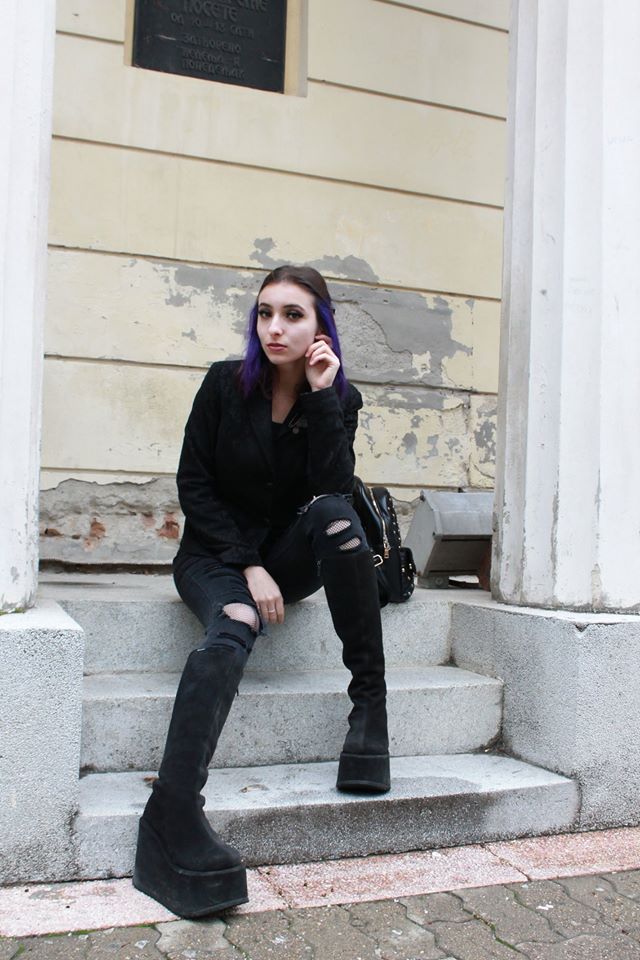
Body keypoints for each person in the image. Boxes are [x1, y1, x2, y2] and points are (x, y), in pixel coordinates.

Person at [133, 265, 389, 918]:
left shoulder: (339, 398)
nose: (275, 327)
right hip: (214, 557)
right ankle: (171, 814)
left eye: (293, 315)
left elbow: (331, 489)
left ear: (321, 327)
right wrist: (248, 566)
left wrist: (323, 396)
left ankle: (370, 710)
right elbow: (194, 485)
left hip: (290, 557)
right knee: (236, 619)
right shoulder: (224, 384)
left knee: (338, 517)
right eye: (265, 313)